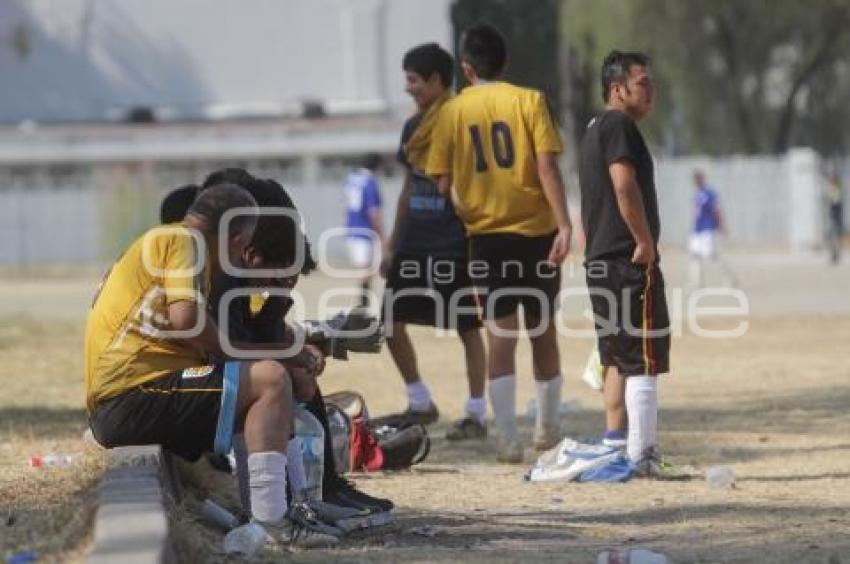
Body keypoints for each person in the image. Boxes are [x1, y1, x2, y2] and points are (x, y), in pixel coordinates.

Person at [86, 183, 338, 546]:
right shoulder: (185, 243)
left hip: (130, 394)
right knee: (269, 379)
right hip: (132, 395)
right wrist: (267, 353)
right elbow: (187, 321)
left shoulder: (165, 240)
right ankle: (273, 523)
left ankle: (287, 509)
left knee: (256, 383)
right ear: (237, 239)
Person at [426, 24, 573, 463]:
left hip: (487, 238)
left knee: (501, 337)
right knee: (543, 332)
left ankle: (508, 438)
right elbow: (547, 167)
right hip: (538, 232)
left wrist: (467, 205)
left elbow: (440, 183)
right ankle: (547, 431)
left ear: (467, 68)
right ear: (505, 64)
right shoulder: (529, 101)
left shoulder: (451, 112)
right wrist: (565, 224)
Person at [377, 42, 487, 440]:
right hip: (414, 240)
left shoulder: (462, 122)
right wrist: (392, 242)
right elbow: (409, 185)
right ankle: (419, 401)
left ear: (438, 81)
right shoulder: (413, 127)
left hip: (452, 241)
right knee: (389, 323)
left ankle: (476, 412)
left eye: (414, 81)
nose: (408, 89)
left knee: (467, 325)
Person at [577, 50, 679, 478]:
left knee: (616, 355)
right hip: (626, 257)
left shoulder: (594, 127)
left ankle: (616, 443)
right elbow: (623, 185)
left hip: (600, 259)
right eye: (643, 83)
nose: (651, 90)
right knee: (643, 356)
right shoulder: (619, 124)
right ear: (617, 89)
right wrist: (644, 240)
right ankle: (643, 454)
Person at [343, 153, 385, 308]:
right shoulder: (370, 182)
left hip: (352, 229)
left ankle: (364, 303)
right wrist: (382, 235)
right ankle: (363, 304)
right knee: (368, 270)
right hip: (365, 230)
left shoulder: (351, 180)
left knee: (365, 269)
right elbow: (373, 212)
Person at [688, 170, 738, 288]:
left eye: (698, 178)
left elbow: (717, 210)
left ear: (703, 179)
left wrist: (722, 225)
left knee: (712, 255)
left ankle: (729, 277)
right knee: (694, 254)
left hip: (708, 228)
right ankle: (697, 282)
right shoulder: (697, 194)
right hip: (697, 230)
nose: (696, 181)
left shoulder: (709, 193)